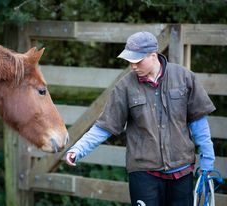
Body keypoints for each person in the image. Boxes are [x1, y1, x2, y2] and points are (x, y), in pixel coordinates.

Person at [65, 31, 216, 206]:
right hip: (143, 174)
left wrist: (207, 161)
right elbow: (105, 127)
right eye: (130, 61)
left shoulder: (184, 77)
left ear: (153, 56)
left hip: (181, 172)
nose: (133, 66)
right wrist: (78, 149)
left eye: (137, 61)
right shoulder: (124, 87)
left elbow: (199, 124)